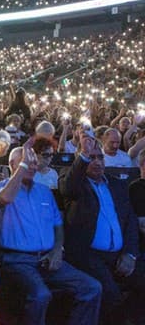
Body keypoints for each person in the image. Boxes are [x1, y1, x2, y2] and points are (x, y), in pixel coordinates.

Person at [0, 141, 102, 325]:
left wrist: (58, 249)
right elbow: (5, 198)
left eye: (34, 162)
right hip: (17, 260)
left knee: (92, 287)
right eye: (27, 162)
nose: (33, 166)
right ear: (12, 165)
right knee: (41, 295)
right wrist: (23, 165)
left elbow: (57, 225)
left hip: (48, 258)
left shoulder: (44, 192)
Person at [61, 131, 145, 324]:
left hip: (118, 254)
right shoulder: (75, 184)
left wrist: (130, 254)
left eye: (100, 157)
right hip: (89, 254)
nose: (97, 161)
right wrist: (83, 154)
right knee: (111, 294)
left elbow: (130, 221)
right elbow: (69, 187)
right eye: (91, 158)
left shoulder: (116, 185)